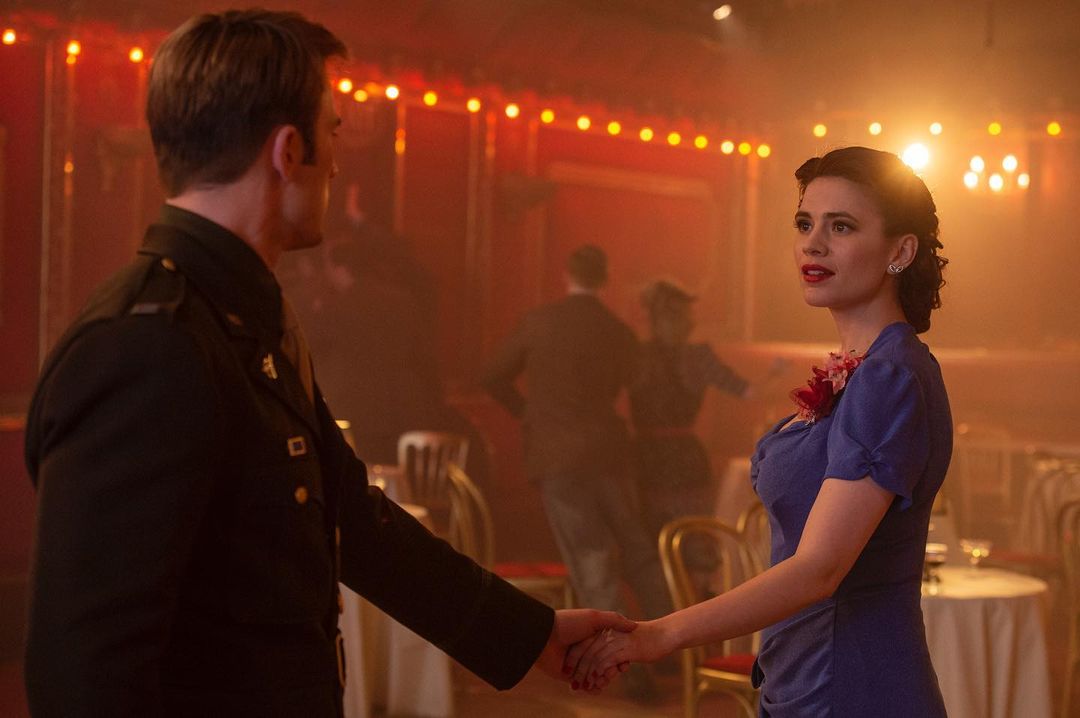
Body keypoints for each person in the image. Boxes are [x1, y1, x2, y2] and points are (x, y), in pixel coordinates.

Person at [22, 11, 632, 717]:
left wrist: (527, 634)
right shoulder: (145, 344)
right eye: (333, 132)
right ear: (289, 150)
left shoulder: (244, 317)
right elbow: (84, 675)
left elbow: (352, 519)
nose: (337, 164)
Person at [568, 146, 952, 717]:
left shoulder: (889, 374)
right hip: (807, 678)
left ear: (900, 251)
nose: (812, 244)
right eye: (804, 223)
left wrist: (658, 635)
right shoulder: (863, 367)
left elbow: (819, 569)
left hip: (852, 688)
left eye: (841, 226)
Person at [482, 244, 673, 699]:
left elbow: (491, 376)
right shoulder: (618, 330)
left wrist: (528, 414)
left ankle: (631, 671)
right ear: (604, 278)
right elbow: (640, 384)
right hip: (610, 452)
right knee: (639, 552)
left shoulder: (539, 321)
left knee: (592, 560)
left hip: (557, 457)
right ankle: (672, 648)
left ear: (567, 274)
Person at [630, 278, 752, 556]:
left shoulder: (650, 355)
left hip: (669, 458)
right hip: (654, 459)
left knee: (684, 539)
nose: (688, 323)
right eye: (679, 316)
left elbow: (747, 390)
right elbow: (749, 391)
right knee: (662, 540)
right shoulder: (639, 355)